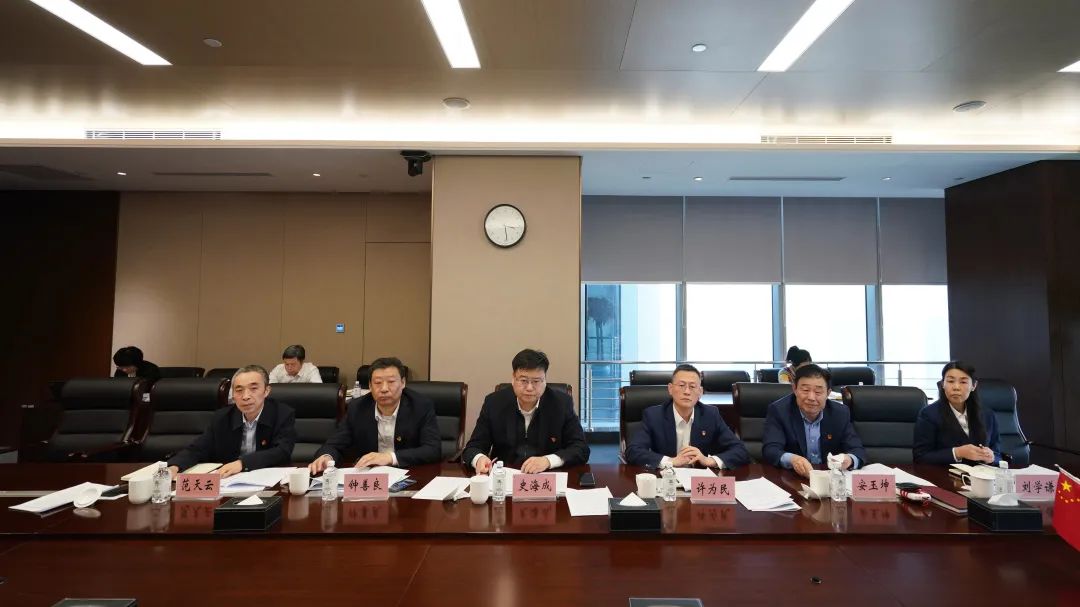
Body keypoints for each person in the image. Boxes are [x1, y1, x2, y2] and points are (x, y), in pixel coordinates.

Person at [463, 349, 590, 474]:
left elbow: (581, 448)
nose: (529, 388)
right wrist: (479, 459)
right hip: (504, 477)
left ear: (545, 381)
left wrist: (548, 461)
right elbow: (473, 447)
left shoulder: (561, 404)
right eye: (523, 380)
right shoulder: (494, 403)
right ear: (513, 379)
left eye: (536, 381)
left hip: (546, 477)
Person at [308, 357, 441, 473]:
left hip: (410, 473)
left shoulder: (420, 406)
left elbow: (433, 450)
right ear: (370, 386)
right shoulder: (357, 408)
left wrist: (390, 457)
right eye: (377, 383)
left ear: (403, 383)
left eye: (391, 382)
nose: (384, 389)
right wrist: (327, 456)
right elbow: (335, 444)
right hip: (369, 477)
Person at [167, 365, 296, 478]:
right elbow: (198, 448)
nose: (245, 396)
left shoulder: (282, 414)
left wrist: (243, 464)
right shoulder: (222, 417)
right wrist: (175, 466)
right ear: (232, 395)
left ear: (266, 391)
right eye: (239, 390)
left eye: (253, 389)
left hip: (269, 480)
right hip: (229, 481)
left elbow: (282, 451)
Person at [625, 364, 750, 470]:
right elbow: (633, 451)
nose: (687, 392)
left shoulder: (710, 414)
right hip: (666, 480)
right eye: (681, 385)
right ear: (670, 389)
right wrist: (671, 461)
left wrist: (708, 460)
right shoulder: (654, 415)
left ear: (700, 392)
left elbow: (740, 450)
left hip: (698, 481)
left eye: (692, 386)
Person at [762, 364, 867, 478]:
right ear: (795, 389)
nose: (811, 397)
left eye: (818, 392)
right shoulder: (779, 410)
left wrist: (849, 459)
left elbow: (857, 449)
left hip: (830, 478)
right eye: (805, 390)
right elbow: (771, 450)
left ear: (828, 393)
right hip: (793, 478)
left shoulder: (840, 413)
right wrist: (793, 459)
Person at [913, 361, 999, 465]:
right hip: (944, 473)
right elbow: (920, 457)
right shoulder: (929, 414)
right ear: (943, 384)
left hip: (982, 473)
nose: (956, 387)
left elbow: (998, 453)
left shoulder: (988, 415)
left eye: (963, 382)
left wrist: (992, 458)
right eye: (950, 381)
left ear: (974, 386)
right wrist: (957, 453)